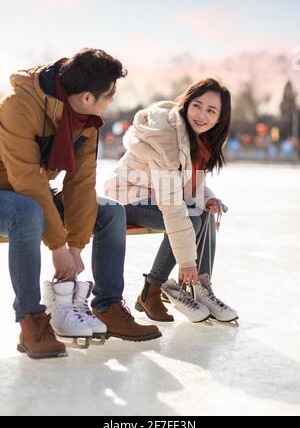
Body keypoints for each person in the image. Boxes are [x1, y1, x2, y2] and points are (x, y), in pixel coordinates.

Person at [0, 48, 161, 360]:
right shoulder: (18, 106)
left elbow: (81, 183)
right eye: (109, 95)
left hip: (31, 196)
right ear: (88, 96)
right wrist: (59, 247)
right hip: (10, 196)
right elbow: (27, 178)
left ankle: (107, 307)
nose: (111, 101)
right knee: (27, 210)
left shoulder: (86, 121)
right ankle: (31, 320)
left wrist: (75, 246)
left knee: (111, 211)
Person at [104, 78, 238, 324]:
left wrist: (208, 198)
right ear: (186, 104)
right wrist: (187, 263)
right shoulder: (166, 138)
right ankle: (151, 290)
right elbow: (173, 206)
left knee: (203, 213)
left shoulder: (198, 139)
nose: (201, 115)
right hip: (128, 197)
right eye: (197, 105)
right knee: (192, 219)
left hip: (156, 194)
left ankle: (202, 289)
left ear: (220, 118)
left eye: (211, 110)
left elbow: (186, 184)